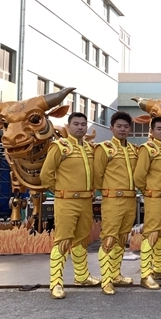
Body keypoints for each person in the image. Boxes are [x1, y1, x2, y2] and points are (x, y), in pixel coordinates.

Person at [41, 112, 99, 299]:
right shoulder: (60, 146)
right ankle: (56, 283)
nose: (80, 127)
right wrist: (60, 191)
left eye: (83, 124)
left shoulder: (90, 148)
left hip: (86, 201)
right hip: (66, 201)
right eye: (76, 124)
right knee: (63, 240)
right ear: (69, 125)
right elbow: (46, 175)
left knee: (81, 239)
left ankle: (81, 276)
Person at [93, 111, 138, 295]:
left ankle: (116, 274)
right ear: (111, 128)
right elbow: (97, 175)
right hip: (113, 199)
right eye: (119, 126)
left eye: (126, 126)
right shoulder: (104, 148)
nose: (122, 129)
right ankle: (106, 279)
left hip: (130, 199)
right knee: (109, 238)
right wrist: (106, 192)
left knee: (122, 238)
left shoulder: (133, 150)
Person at [133, 117, 161, 290]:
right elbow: (139, 176)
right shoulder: (147, 149)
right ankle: (146, 274)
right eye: (159, 128)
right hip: (154, 198)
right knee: (151, 234)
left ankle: (159, 267)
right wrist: (148, 191)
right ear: (151, 131)